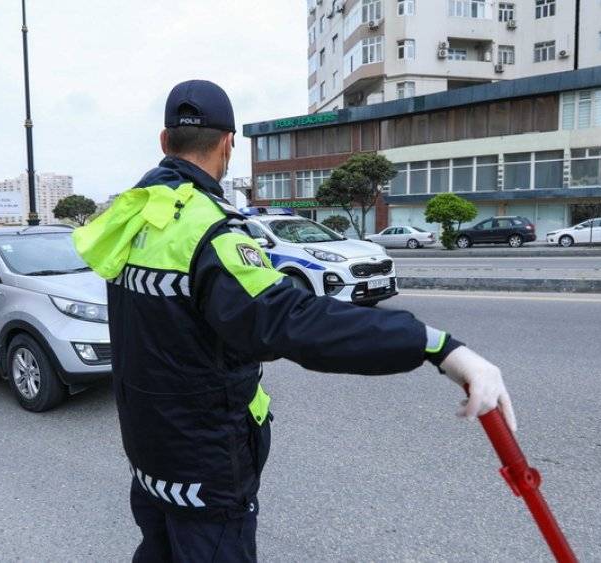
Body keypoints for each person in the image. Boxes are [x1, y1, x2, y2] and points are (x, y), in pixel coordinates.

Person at [73, 79, 516, 562]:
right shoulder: (209, 231)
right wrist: (435, 345)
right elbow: (290, 319)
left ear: (164, 142)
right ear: (228, 144)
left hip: (148, 454)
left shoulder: (131, 218)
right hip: (204, 464)